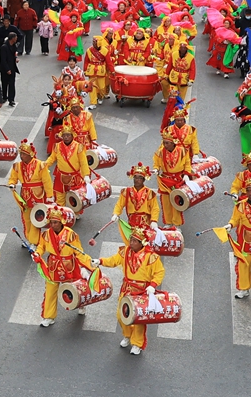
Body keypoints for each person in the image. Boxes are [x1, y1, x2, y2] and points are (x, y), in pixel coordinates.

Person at [92, 227, 164, 355]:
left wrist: (153, 285)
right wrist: (100, 261)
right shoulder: (125, 252)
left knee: (139, 318)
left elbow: (159, 272)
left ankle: (137, 344)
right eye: (131, 240)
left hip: (142, 291)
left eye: (135, 241)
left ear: (142, 243)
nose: (131, 243)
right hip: (127, 288)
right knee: (121, 315)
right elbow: (113, 260)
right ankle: (127, 335)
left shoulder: (151, 257)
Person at [33, 207, 92, 326]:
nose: (53, 225)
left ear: (61, 222)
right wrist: (37, 253)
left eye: (55, 222)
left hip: (69, 266)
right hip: (53, 267)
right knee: (50, 292)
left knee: (76, 289)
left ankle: (81, 304)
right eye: (51, 222)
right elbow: (41, 246)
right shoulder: (46, 234)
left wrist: (88, 264)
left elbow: (79, 252)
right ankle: (49, 316)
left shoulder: (71, 235)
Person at [46, 125, 91, 209]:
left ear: (72, 136)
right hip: (61, 176)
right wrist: (45, 165)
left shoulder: (78, 147)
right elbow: (52, 158)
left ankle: (75, 213)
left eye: (68, 135)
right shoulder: (57, 146)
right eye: (64, 135)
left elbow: (83, 162)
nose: (66, 137)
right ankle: (61, 212)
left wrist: (86, 175)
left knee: (75, 198)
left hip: (75, 177)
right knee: (60, 197)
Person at [0, 33, 20, 106]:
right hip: (4, 69)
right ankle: (4, 97)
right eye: (15, 37)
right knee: (4, 84)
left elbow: (15, 54)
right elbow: (3, 60)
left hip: (12, 67)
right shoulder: (4, 47)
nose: (16, 39)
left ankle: (11, 99)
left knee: (12, 84)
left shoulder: (14, 46)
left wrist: (16, 58)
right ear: (12, 38)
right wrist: (7, 69)